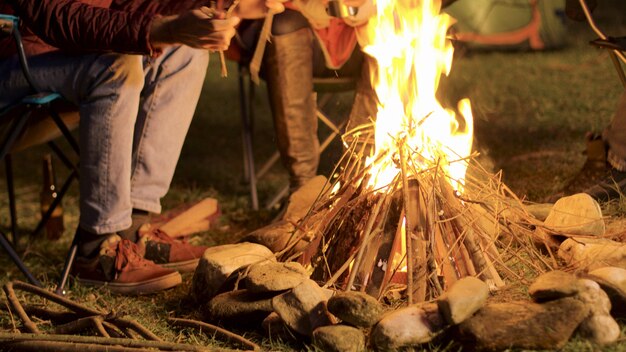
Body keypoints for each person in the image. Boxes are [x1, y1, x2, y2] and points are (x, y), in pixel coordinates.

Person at [0, 0, 282, 294]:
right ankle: (96, 248)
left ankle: (133, 229)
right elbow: (58, 17)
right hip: (13, 63)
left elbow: (130, 4)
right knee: (116, 65)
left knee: (184, 52)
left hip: (66, 61)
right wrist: (166, 28)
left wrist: (219, 5)